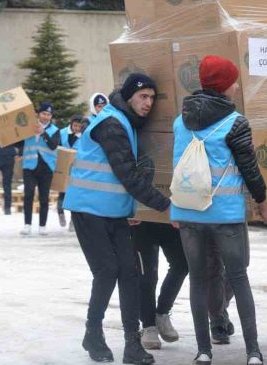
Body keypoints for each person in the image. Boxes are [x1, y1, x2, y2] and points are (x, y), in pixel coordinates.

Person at [171, 55, 267, 365]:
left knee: (198, 280)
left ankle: (204, 351)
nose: (235, 85)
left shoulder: (180, 121)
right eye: (233, 80)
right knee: (239, 277)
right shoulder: (235, 122)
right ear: (224, 85)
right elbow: (250, 168)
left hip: (188, 213)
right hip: (224, 214)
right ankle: (253, 351)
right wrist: (263, 203)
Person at [64, 73, 171, 365]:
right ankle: (93, 333)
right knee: (107, 270)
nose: (148, 103)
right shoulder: (111, 124)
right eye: (142, 97)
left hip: (113, 211)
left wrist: (132, 210)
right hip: (88, 209)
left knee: (130, 273)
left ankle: (132, 345)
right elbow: (127, 175)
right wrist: (167, 208)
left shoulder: (126, 121)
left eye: (152, 97)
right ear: (128, 97)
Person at [133, 218, 188, 350]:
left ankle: (162, 313)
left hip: (170, 217)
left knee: (182, 265)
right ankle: (148, 325)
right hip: (142, 220)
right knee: (147, 275)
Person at [19, 102, 59, 236]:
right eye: (43, 113)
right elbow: (18, 140)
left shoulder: (54, 130)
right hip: (30, 165)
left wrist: (44, 133)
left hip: (46, 167)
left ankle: (42, 225)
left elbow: (54, 145)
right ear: (38, 114)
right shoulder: (28, 126)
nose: (46, 117)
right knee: (28, 194)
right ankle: (27, 224)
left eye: (49, 114)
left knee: (44, 197)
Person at [56, 114, 84, 228]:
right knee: (62, 193)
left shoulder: (83, 136)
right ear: (71, 124)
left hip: (77, 168)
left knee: (74, 195)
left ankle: (73, 221)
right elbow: (56, 147)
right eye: (75, 125)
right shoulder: (62, 133)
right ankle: (60, 213)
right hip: (63, 167)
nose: (77, 128)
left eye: (79, 126)